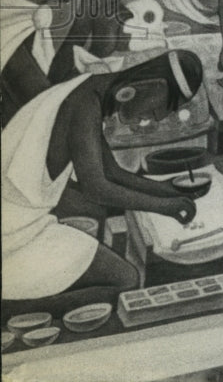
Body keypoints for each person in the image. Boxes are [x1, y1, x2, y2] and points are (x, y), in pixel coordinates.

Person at [2, 50, 201, 314]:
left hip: (24, 223)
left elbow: (113, 173)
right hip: (14, 236)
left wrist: (164, 189)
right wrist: (165, 207)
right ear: (145, 85)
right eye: (155, 110)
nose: (150, 119)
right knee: (126, 281)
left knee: (122, 275)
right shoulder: (85, 104)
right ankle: (13, 312)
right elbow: (97, 188)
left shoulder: (90, 91)